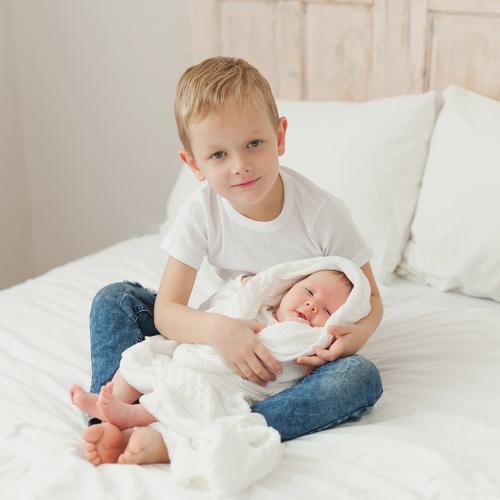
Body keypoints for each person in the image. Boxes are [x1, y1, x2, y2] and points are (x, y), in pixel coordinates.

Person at [84, 56, 383, 464]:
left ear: (279, 136)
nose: (240, 166)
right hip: (222, 333)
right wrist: (218, 331)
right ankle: (110, 416)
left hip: (284, 363)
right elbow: (167, 312)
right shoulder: (201, 212)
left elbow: (373, 299)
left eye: (254, 144)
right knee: (115, 299)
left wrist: (358, 334)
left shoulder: (321, 214)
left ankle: (211, 432)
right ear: (194, 164)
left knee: (359, 377)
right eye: (219, 155)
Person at [71, 269, 353, 444]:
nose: (312, 305)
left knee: (186, 392)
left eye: (327, 311)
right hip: (198, 346)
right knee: (142, 356)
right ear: (285, 287)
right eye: (308, 291)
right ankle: (107, 409)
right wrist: (247, 290)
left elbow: (304, 358)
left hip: (224, 380)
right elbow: (221, 305)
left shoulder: (306, 336)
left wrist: (333, 338)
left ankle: (133, 417)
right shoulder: (259, 303)